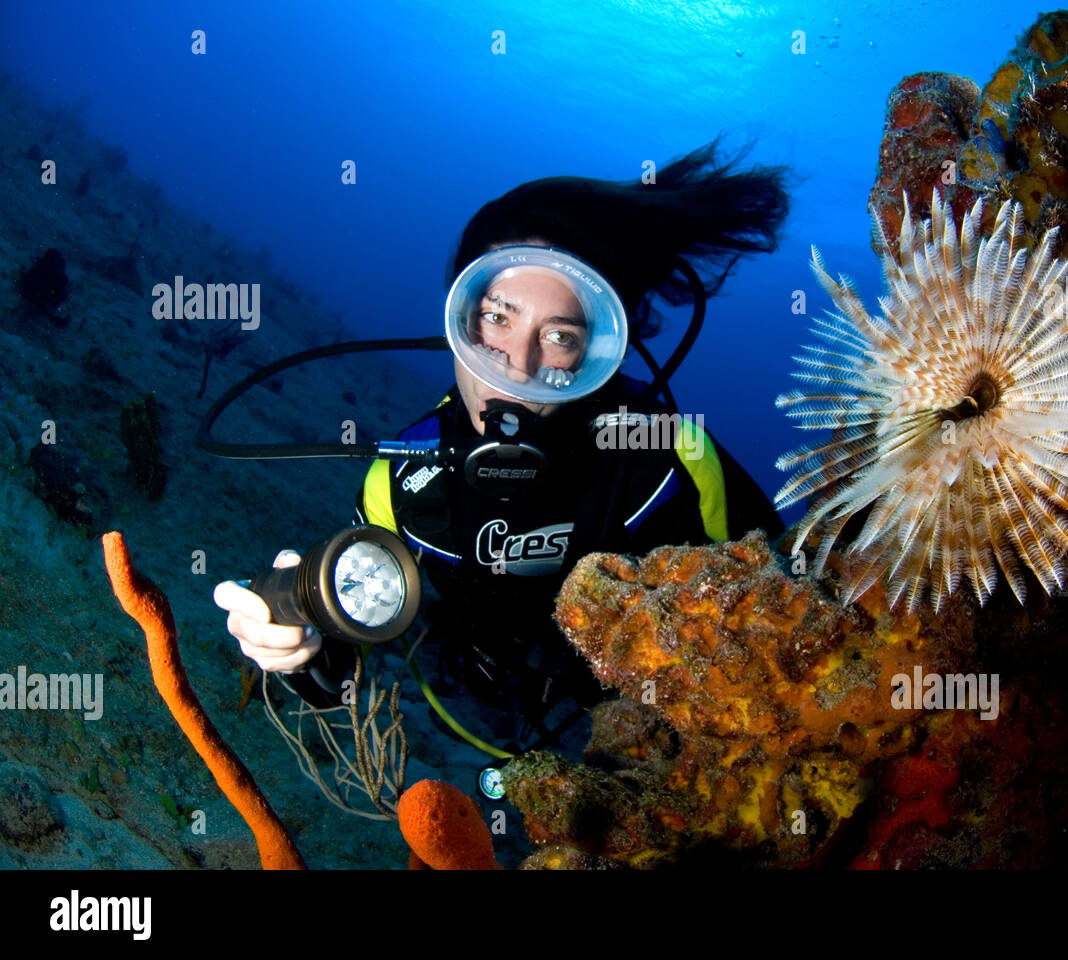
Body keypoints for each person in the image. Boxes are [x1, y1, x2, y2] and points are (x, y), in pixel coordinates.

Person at [214, 140, 790, 757]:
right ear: (461, 318)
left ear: (597, 351)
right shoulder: (402, 478)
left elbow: (785, 615)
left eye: (560, 336)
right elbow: (345, 644)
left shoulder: (670, 462)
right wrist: (295, 644)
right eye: (498, 318)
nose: (518, 367)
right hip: (485, 690)